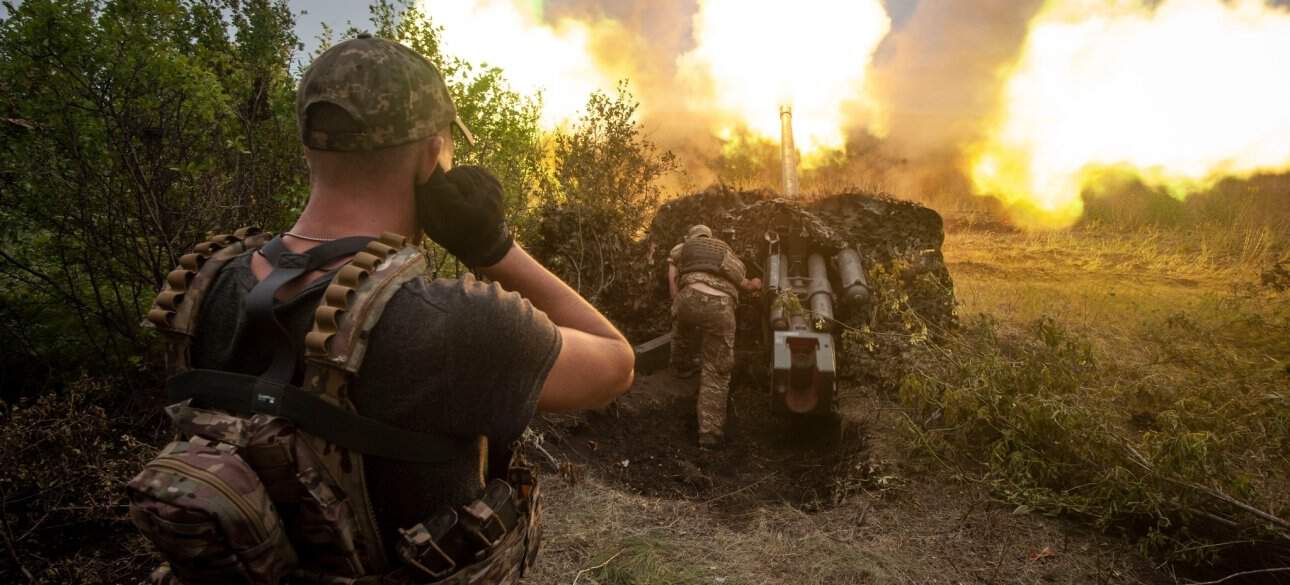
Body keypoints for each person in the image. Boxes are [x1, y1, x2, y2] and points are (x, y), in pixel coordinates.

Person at [131, 33, 634, 584]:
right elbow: (614, 361)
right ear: (428, 159)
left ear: (308, 147)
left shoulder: (204, 286)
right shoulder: (453, 322)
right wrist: (494, 249)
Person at [668, 224, 760, 448]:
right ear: (711, 237)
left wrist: (676, 302)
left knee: (683, 328)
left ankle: (681, 365)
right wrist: (756, 284)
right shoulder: (724, 252)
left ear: (690, 236)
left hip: (688, 296)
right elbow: (745, 284)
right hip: (720, 306)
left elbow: (671, 275)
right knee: (716, 370)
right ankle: (709, 434)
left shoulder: (683, 247)